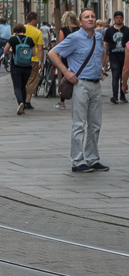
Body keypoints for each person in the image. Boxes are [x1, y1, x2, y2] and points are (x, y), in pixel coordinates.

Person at [50, 9, 109, 173]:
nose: (90, 19)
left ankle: (92, 158)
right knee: (79, 124)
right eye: (86, 17)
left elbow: (101, 55)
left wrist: (101, 70)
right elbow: (52, 53)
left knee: (95, 124)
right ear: (81, 22)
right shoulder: (74, 38)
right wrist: (67, 72)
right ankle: (77, 160)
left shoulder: (98, 36)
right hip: (80, 84)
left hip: (96, 84)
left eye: (92, 17)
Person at [5, 24, 34, 115]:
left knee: (17, 86)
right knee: (23, 86)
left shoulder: (13, 39)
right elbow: (33, 53)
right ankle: (24, 105)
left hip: (16, 65)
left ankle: (20, 102)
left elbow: (5, 50)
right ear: (24, 30)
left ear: (15, 31)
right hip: (27, 66)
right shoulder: (29, 40)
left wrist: (12, 52)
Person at [54, 11, 81, 110]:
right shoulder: (80, 29)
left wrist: (59, 61)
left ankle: (62, 102)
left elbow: (61, 47)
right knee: (78, 78)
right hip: (78, 57)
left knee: (65, 79)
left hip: (66, 58)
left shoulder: (63, 30)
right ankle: (78, 100)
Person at [104, 11, 128, 104]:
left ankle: (122, 96)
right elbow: (106, 43)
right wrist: (105, 53)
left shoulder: (126, 30)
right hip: (114, 56)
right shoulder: (109, 31)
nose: (119, 19)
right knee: (115, 75)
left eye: (120, 18)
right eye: (117, 18)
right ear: (114, 18)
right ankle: (114, 96)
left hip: (124, 56)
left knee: (123, 76)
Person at [22, 11, 45, 110]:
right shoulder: (37, 32)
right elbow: (40, 48)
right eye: (37, 19)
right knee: (32, 79)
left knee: (22, 80)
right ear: (34, 20)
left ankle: (20, 100)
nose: (38, 21)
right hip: (33, 59)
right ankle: (27, 101)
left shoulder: (20, 29)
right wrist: (42, 61)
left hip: (20, 58)